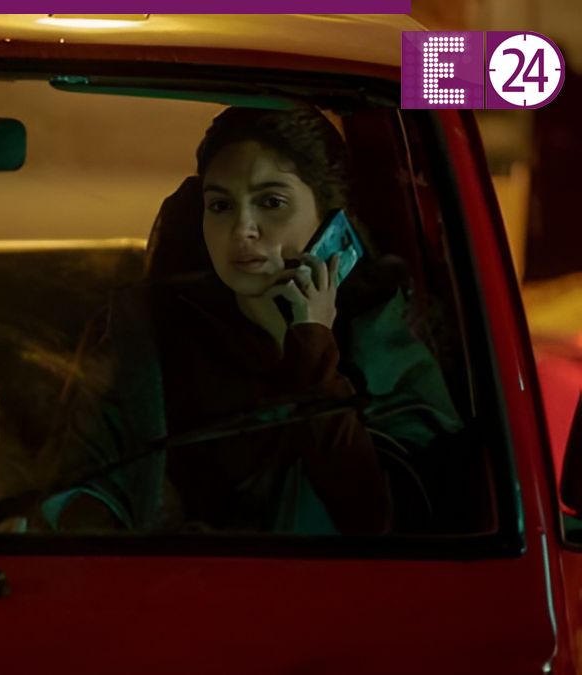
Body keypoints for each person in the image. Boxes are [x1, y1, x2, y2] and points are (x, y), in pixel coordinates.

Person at [42, 106, 463, 535]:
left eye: (271, 203)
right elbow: (80, 486)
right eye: (221, 205)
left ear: (329, 218)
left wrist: (312, 344)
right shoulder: (154, 332)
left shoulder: (379, 340)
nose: (242, 228)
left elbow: (386, 519)